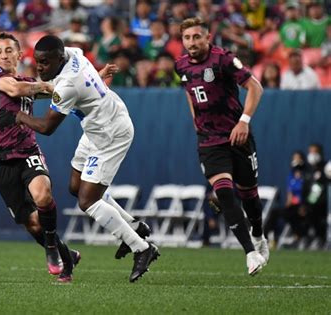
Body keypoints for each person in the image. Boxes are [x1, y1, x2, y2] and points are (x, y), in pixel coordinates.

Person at [16, 35, 159, 283]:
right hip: (96, 127)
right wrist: (98, 76)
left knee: (87, 201)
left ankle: (142, 248)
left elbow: (47, 127)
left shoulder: (67, 86)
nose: (39, 67)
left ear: (59, 59)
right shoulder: (73, 53)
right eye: (37, 61)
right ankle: (135, 227)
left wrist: (19, 116)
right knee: (75, 187)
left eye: (45, 63)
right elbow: (83, 69)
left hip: (110, 134)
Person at [0, 32, 80, 283]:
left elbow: (61, 92)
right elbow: (15, 88)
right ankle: (62, 251)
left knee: (42, 195)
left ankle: (53, 249)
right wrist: (45, 85)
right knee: (32, 223)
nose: (3, 55)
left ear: (19, 54)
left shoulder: (28, 81)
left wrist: (92, 80)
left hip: (27, 152)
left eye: (9, 50)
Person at [174, 17, 268, 276]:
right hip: (209, 141)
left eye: (196, 37)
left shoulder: (224, 59)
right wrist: (195, 119)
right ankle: (250, 252)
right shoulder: (180, 65)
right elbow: (188, 90)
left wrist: (244, 122)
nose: (191, 42)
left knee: (248, 193)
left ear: (208, 37)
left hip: (237, 136)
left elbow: (255, 87)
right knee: (224, 192)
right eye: (187, 38)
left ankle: (259, 235)